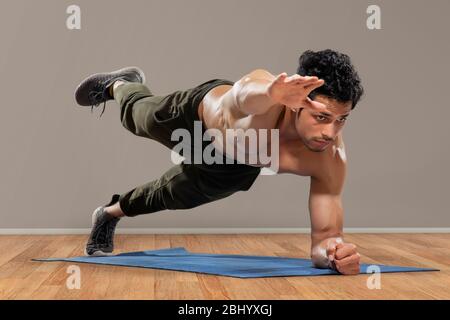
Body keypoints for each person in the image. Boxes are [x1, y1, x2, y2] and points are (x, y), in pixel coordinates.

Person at [74, 49, 364, 275]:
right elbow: (241, 98)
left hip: (237, 164)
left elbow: (325, 237)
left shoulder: (330, 158)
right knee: (137, 118)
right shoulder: (267, 94)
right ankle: (120, 85)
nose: (330, 132)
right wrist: (271, 93)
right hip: (196, 119)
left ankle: (108, 214)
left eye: (342, 120)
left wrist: (334, 254)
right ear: (296, 104)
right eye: (322, 117)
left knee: (172, 195)